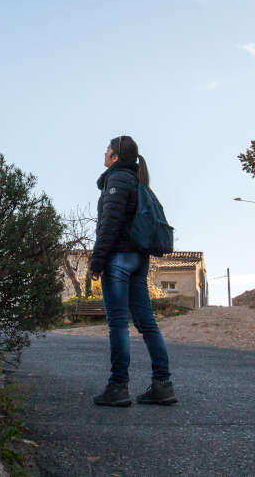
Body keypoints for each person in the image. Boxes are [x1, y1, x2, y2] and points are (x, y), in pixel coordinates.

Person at [89, 135, 176, 407]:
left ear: (115, 157)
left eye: (108, 150)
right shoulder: (137, 182)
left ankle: (118, 387)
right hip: (139, 259)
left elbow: (110, 226)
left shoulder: (116, 181)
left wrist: (96, 262)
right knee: (147, 323)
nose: (104, 153)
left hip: (119, 260)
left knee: (118, 324)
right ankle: (163, 385)